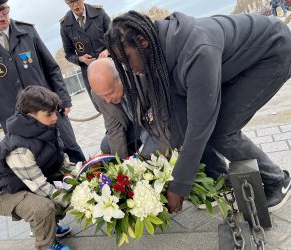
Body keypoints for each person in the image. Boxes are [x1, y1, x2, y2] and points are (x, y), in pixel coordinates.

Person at [105, 11, 291, 214]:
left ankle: (278, 180)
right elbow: (175, 120)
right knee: (200, 124)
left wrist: (178, 186)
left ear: (142, 41)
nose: (129, 70)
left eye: (127, 60)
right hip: (235, 61)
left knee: (221, 129)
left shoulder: (196, 51)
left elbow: (199, 125)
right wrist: (155, 169)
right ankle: (220, 180)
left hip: (272, 52)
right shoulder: (158, 51)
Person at [0, 0, 85, 164]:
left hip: (48, 108)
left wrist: (63, 99)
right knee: (36, 162)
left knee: (70, 149)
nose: (1, 15)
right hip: (15, 116)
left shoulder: (27, 31)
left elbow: (51, 68)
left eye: (4, 9)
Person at [0, 86, 71, 250]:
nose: (55, 118)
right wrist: (73, 201)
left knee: (62, 184)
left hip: (24, 182)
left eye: (55, 112)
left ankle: (49, 228)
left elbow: (61, 160)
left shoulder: (45, 128)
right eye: (49, 114)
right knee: (43, 207)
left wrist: (77, 179)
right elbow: (40, 187)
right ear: (31, 116)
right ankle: (46, 245)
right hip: (5, 193)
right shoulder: (19, 148)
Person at [87, 58, 169, 158]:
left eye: (110, 93)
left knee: (147, 157)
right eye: (102, 96)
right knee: (106, 145)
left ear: (120, 78)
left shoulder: (142, 78)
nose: (107, 100)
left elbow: (164, 120)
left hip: (154, 123)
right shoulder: (98, 95)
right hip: (133, 127)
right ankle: (131, 156)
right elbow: (114, 129)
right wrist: (121, 164)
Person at [60, 0, 111, 110]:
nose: (75, 5)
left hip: (109, 68)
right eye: (70, 3)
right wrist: (80, 59)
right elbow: (68, 54)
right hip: (90, 74)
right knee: (103, 108)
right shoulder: (65, 24)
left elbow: (114, 37)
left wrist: (107, 50)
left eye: (76, 1)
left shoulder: (99, 12)